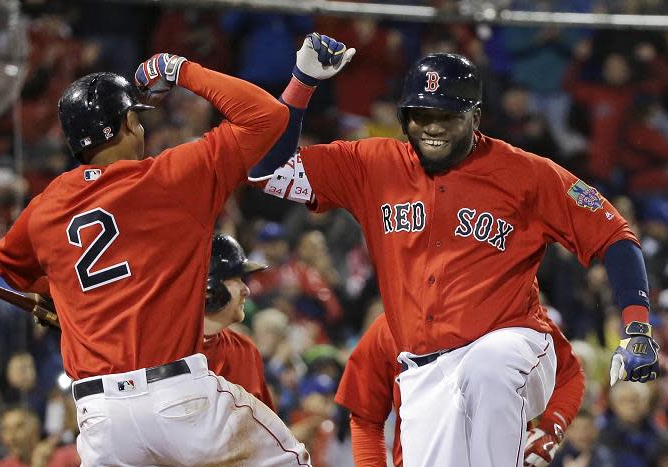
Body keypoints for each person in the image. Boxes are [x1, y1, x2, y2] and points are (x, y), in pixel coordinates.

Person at [249, 34, 659, 466]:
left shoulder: (526, 174)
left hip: (513, 343)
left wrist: (636, 326)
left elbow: (614, 235)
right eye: (419, 114)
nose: (431, 126)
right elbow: (267, 173)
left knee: (487, 365)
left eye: (446, 115)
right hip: (423, 370)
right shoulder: (372, 164)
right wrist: (302, 83)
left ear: (475, 116)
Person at [0, 53, 312, 466]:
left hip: (101, 418)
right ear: (128, 124)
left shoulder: (44, 207)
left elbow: (11, 268)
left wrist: (69, 301)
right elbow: (267, 115)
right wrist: (179, 69)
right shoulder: (170, 177)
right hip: (178, 399)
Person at [334, 310, 585, 467]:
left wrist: (550, 431)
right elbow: (366, 418)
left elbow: (569, 374)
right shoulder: (389, 327)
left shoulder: (511, 307)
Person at [202, 232, 275, 410]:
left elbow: (266, 431)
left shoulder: (245, 350)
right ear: (209, 288)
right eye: (236, 279)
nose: (246, 290)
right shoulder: (168, 348)